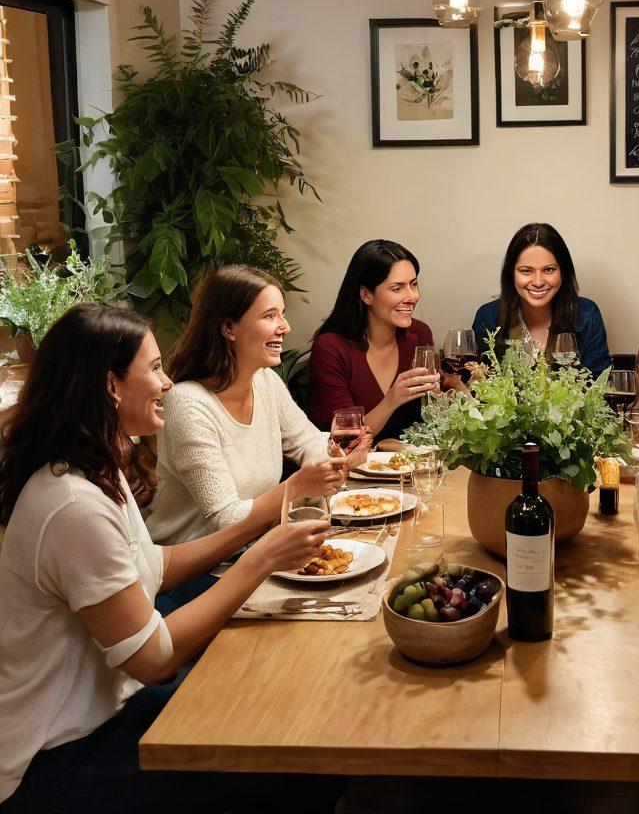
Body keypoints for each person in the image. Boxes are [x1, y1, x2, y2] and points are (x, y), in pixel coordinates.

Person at [0, 304, 344, 813]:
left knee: (282, 703)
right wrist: (259, 561)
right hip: (56, 757)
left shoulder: (96, 466)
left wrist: (263, 527)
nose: (166, 383)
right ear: (112, 386)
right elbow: (154, 659)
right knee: (302, 760)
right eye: (155, 367)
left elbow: (156, 567)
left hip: (110, 709)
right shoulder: (71, 505)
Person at [146, 265, 367, 547]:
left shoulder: (264, 382)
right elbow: (225, 519)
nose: (285, 327)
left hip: (255, 547)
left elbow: (307, 441)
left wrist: (336, 451)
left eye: (282, 314)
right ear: (228, 327)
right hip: (194, 567)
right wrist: (296, 486)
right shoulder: (188, 403)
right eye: (270, 316)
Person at [309, 240, 439, 447]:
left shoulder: (420, 334)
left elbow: (430, 418)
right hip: (353, 472)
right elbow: (344, 442)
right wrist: (391, 400)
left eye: (413, 285)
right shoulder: (331, 347)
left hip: (412, 468)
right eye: (397, 288)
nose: (412, 297)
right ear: (366, 294)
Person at [472, 222, 611, 378]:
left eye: (549, 270)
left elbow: (600, 386)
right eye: (526, 271)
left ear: (563, 272)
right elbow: (478, 388)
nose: (538, 282)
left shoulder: (587, 315)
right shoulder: (488, 317)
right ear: (511, 274)